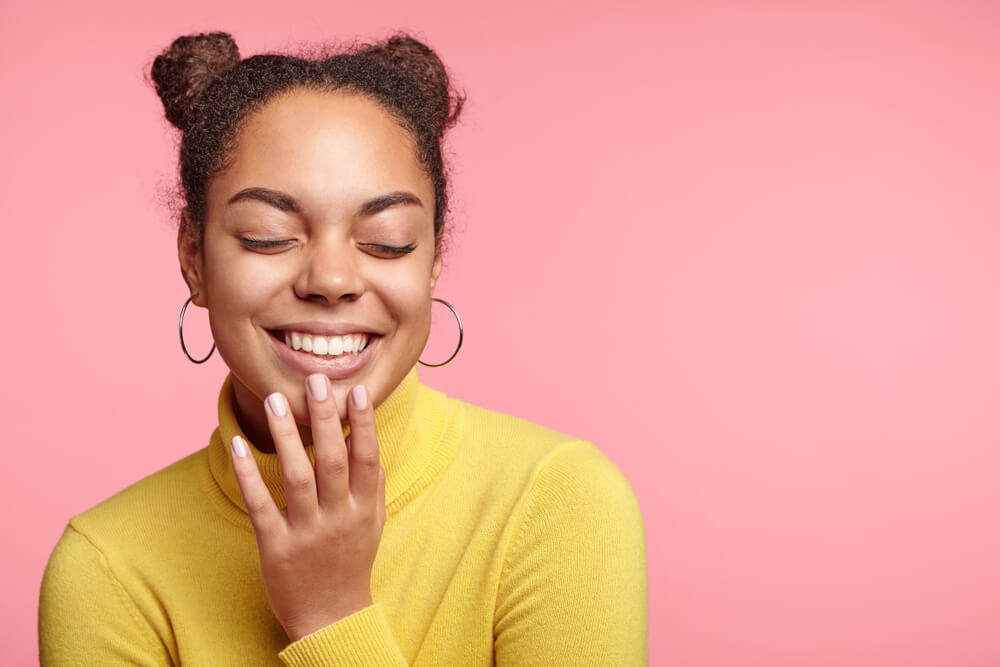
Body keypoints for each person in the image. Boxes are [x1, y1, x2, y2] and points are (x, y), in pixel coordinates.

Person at [38, 31, 647, 665]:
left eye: (386, 240)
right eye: (268, 235)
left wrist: (332, 616)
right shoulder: (108, 564)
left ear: (435, 258)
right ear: (194, 258)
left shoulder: (557, 500)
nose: (330, 280)